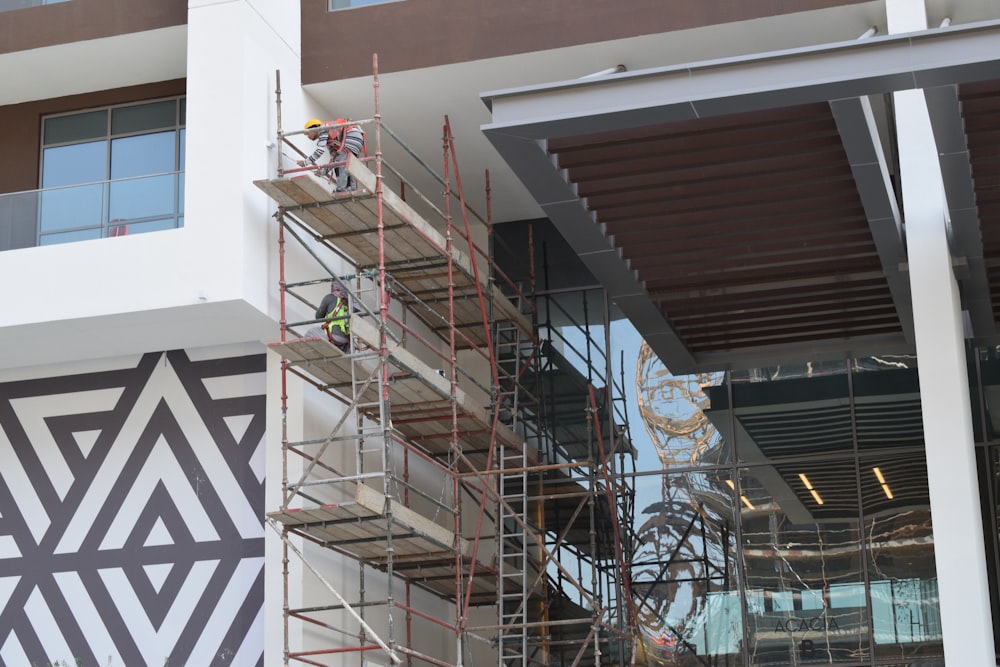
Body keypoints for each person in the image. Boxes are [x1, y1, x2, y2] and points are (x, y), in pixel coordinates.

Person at [297, 118, 366, 192]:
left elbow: (320, 150)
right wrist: (323, 171)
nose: (308, 137)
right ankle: (351, 188)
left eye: (308, 133)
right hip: (356, 141)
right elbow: (334, 158)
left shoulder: (323, 129)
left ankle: (341, 189)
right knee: (347, 164)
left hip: (350, 138)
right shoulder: (330, 140)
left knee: (340, 164)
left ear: (314, 128)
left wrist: (305, 162)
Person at [306, 282, 351, 351]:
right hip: (346, 340)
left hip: (333, 336)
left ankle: (312, 357)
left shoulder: (330, 297)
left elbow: (318, 316)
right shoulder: (350, 301)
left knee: (310, 332)